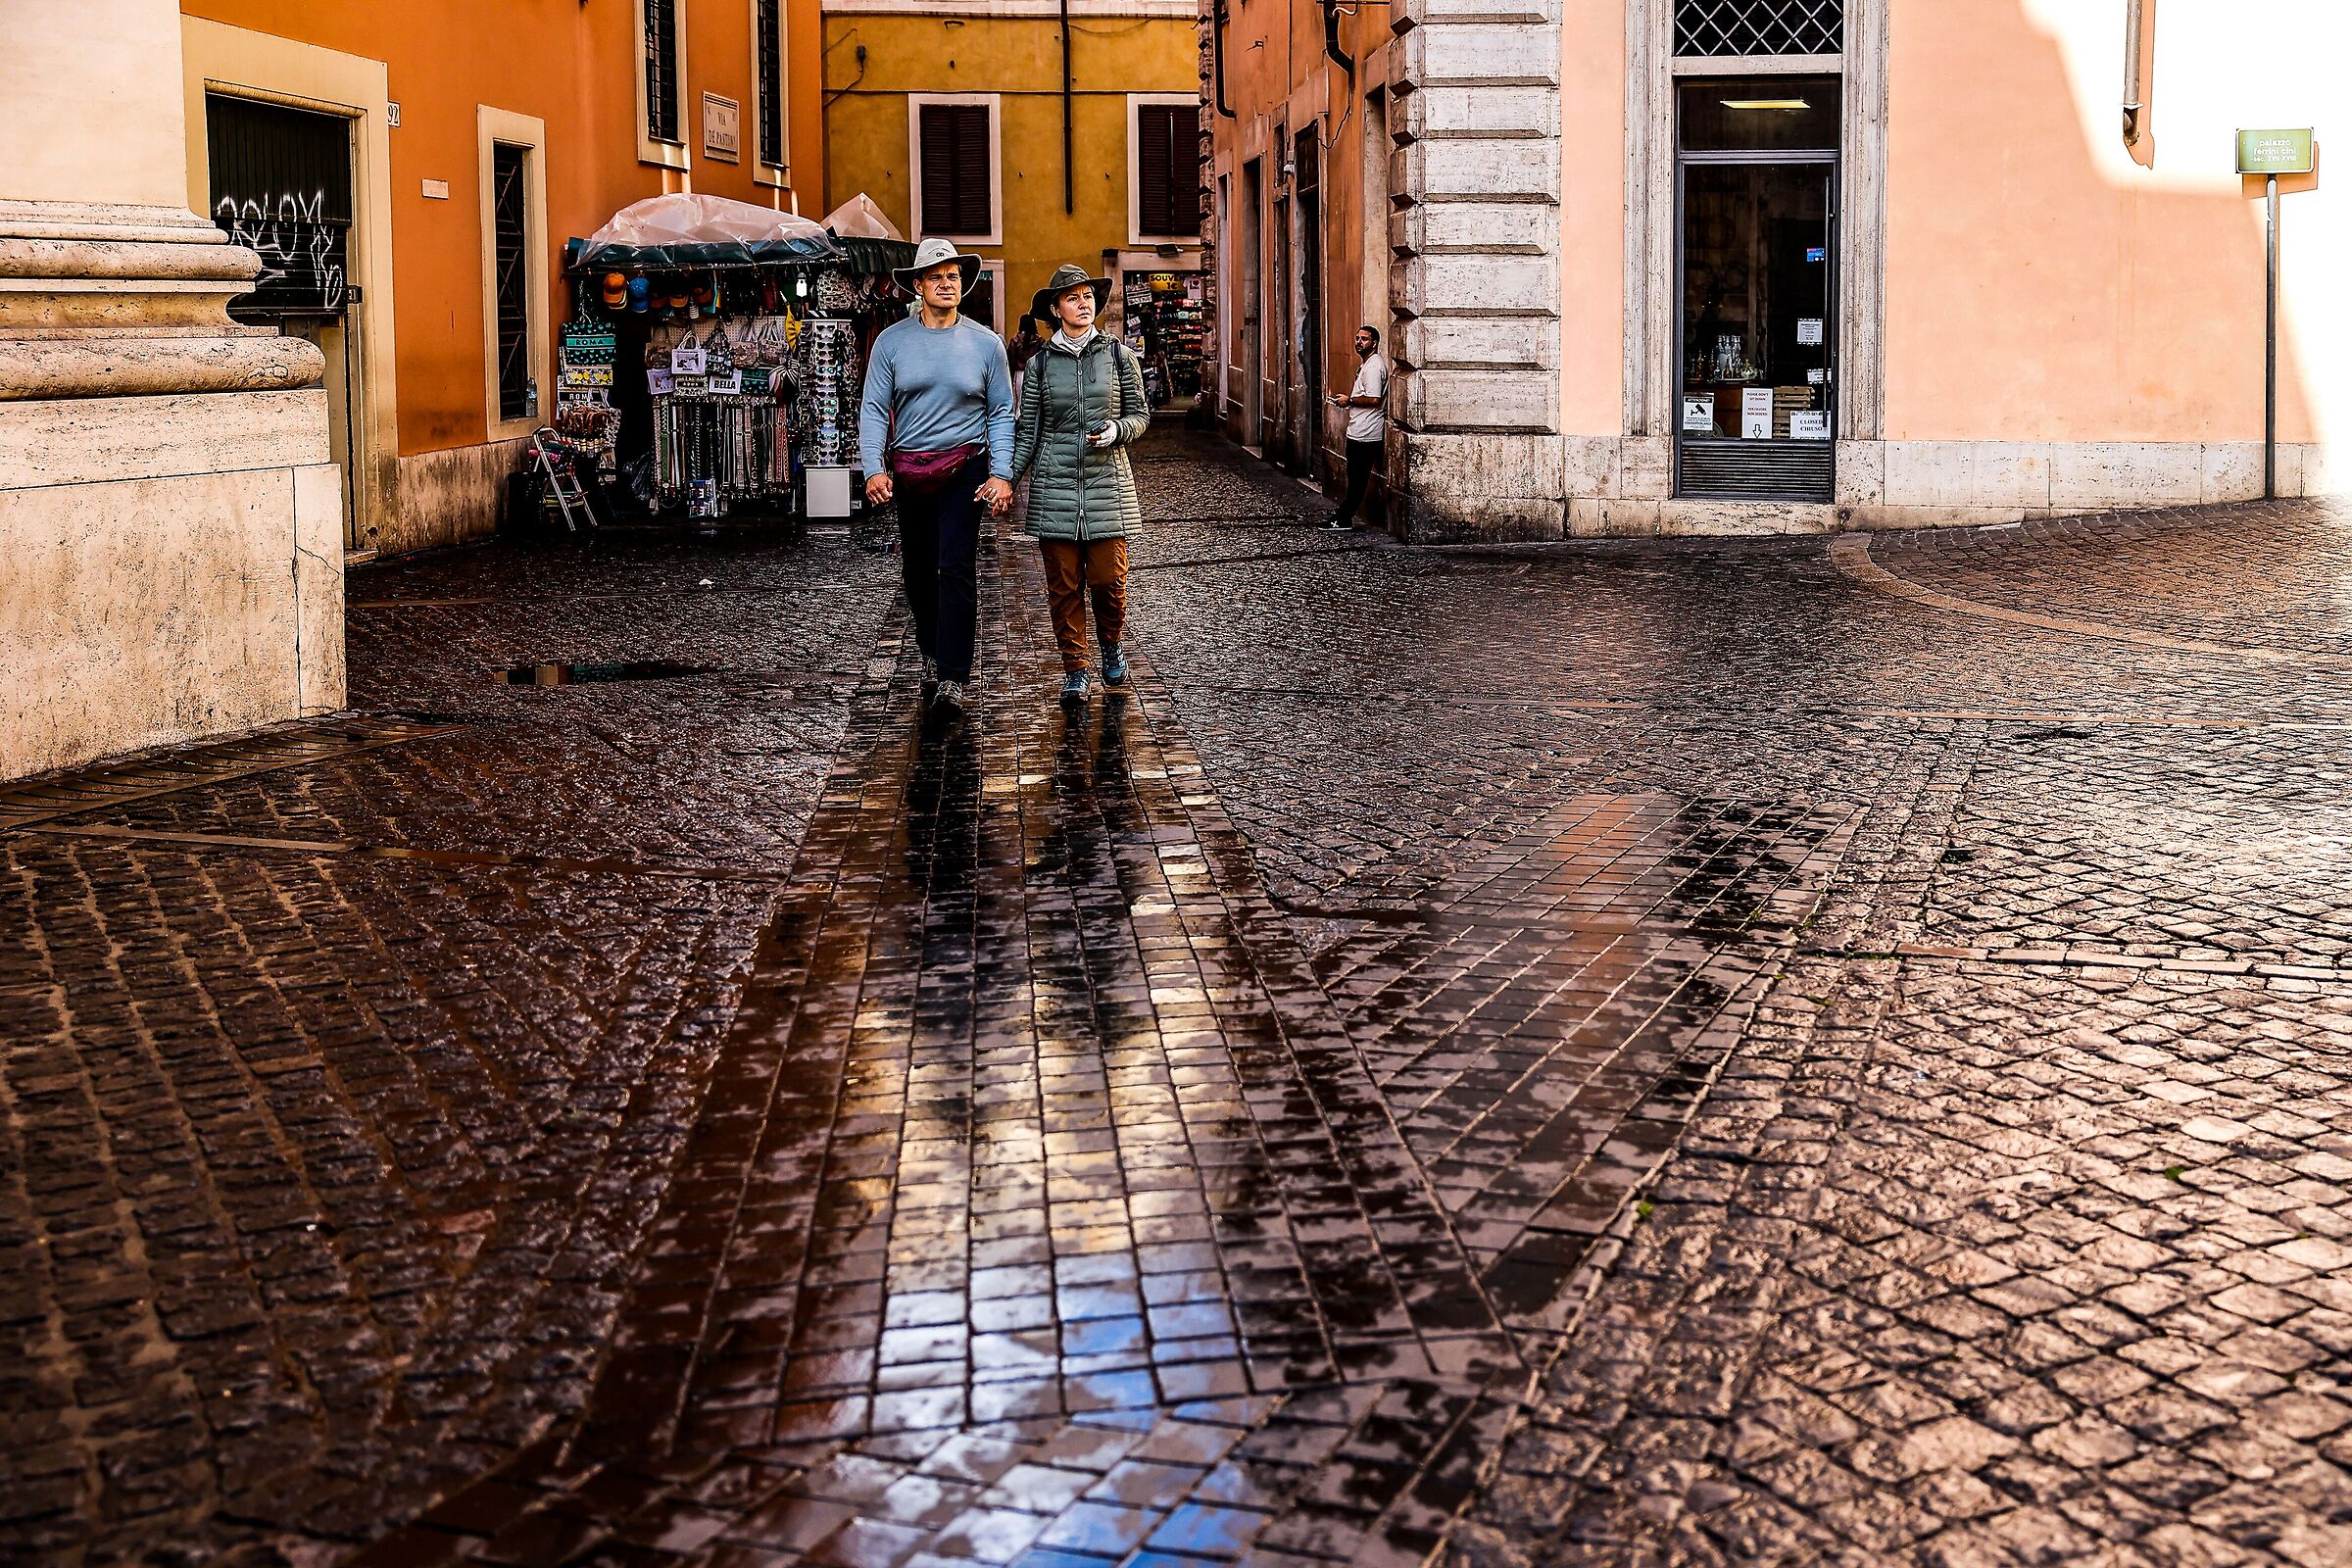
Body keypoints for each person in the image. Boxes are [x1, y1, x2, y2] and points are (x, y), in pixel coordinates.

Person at [859, 236, 1016, 714]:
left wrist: (1002, 474)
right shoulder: (891, 342)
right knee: (917, 571)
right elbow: (873, 408)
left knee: (955, 566)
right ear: (919, 286)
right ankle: (931, 652)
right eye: (936, 277)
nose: (947, 284)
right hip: (910, 470)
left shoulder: (985, 343)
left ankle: (952, 675)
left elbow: (1001, 412)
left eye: (953, 276)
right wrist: (873, 468)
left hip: (965, 467)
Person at [1010, 263, 1151, 705]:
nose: (1083, 303)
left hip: (1107, 481)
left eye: (1088, 295)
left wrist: (1117, 431)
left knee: (1110, 579)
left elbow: (1140, 416)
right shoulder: (1038, 366)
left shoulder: (1117, 356)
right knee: (1063, 585)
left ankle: (1111, 644)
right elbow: (1028, 430)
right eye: (1073, 297)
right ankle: (1076, 666)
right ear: (1056, 308)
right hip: (1055, 485)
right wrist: (1007, 478)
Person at [1327, 324, 1389, 531]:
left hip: (1366, 433)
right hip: (1359, 430)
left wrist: (1349, 401)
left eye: (1364, 339)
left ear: (1374, 343)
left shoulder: (1373, 367)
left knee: (1357, 480)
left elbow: (1373, 398)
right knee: (1355, 478)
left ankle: (1343, 518)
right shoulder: (1367, 364)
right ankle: (1343, 517)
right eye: (1357, 338)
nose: (1358, 342)